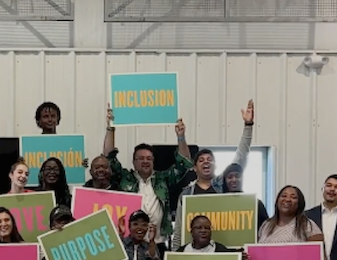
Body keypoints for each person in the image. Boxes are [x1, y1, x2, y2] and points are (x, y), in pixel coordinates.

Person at [171, 101, 255, 249]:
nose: (206, 162)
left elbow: (240, 158)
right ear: (195, 168)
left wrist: (248, 126)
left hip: (220, 249)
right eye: (201, 160)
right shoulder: (186, 195)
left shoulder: (223, 185)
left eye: (210, 160)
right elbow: (178, 230)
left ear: (215, 165)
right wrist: (175, 256)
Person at [105, 110, 191, 250]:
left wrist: (181, 137)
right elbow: (109, 159)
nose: (145, 161)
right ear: (133, 162)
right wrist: (110, 128)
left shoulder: (163, 179)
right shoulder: (125, 178)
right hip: (130, 243)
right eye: (141, 158)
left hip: (158, 243)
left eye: (149, 158)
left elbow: (184, 164)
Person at [222, 162, 269, 229]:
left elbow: (266, 229)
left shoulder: (256, 203)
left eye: (237, 176)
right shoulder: (219, 205)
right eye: (230, 177)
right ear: (225, 180)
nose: (234, 180)